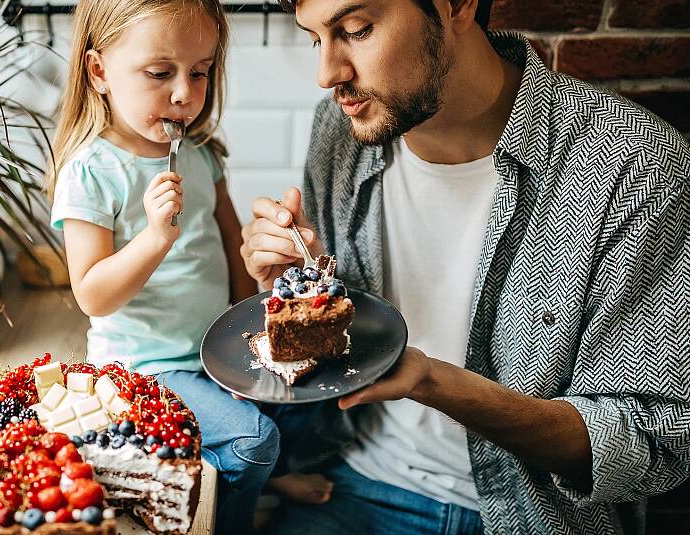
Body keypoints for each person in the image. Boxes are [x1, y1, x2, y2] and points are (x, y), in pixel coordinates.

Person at [240, 0, 690, 533]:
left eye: (356, 30)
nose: (327, 74)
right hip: (347, 482)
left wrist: (436, 383)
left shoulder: (635, 165)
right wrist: (295, 287)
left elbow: (657, 441)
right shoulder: (343, 130)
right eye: (316, 39)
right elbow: (341, 338)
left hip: (529, 517)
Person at [46, 1, 332, 532]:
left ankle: (266, 472)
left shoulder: (199, 154)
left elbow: (227, 238)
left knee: (313, 386)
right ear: (99, 71)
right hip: (145, 368)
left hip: (217, 348)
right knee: (254, 439)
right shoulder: (91, 171)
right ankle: (237, 509)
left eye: (200, 71)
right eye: (160, 73)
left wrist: (263, 309)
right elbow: (92, 294)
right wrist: (155, 238)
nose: (185, 92)